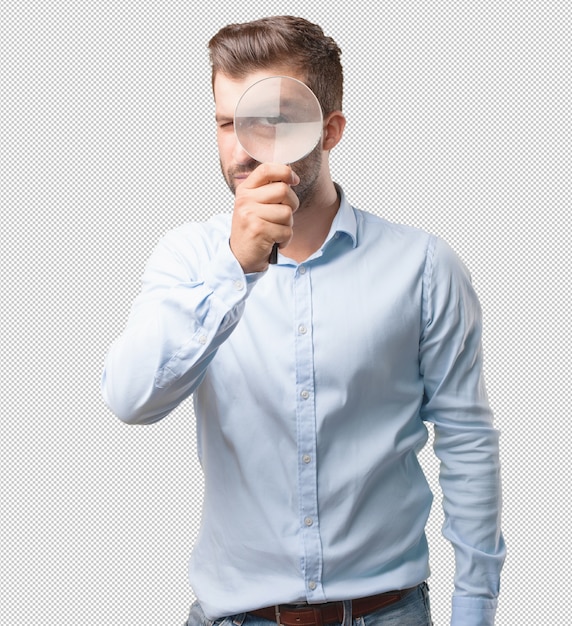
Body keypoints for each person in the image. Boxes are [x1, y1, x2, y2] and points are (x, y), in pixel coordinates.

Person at [101, 15, 505, 626]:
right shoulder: (187, 259)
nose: (243, 148)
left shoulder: (423, 266)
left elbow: (467, 443)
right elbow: (131, 399)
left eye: (273, 120)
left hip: (388, 613)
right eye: (227, 123)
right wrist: (235, 269)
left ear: (330, 129)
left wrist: (474, 611)